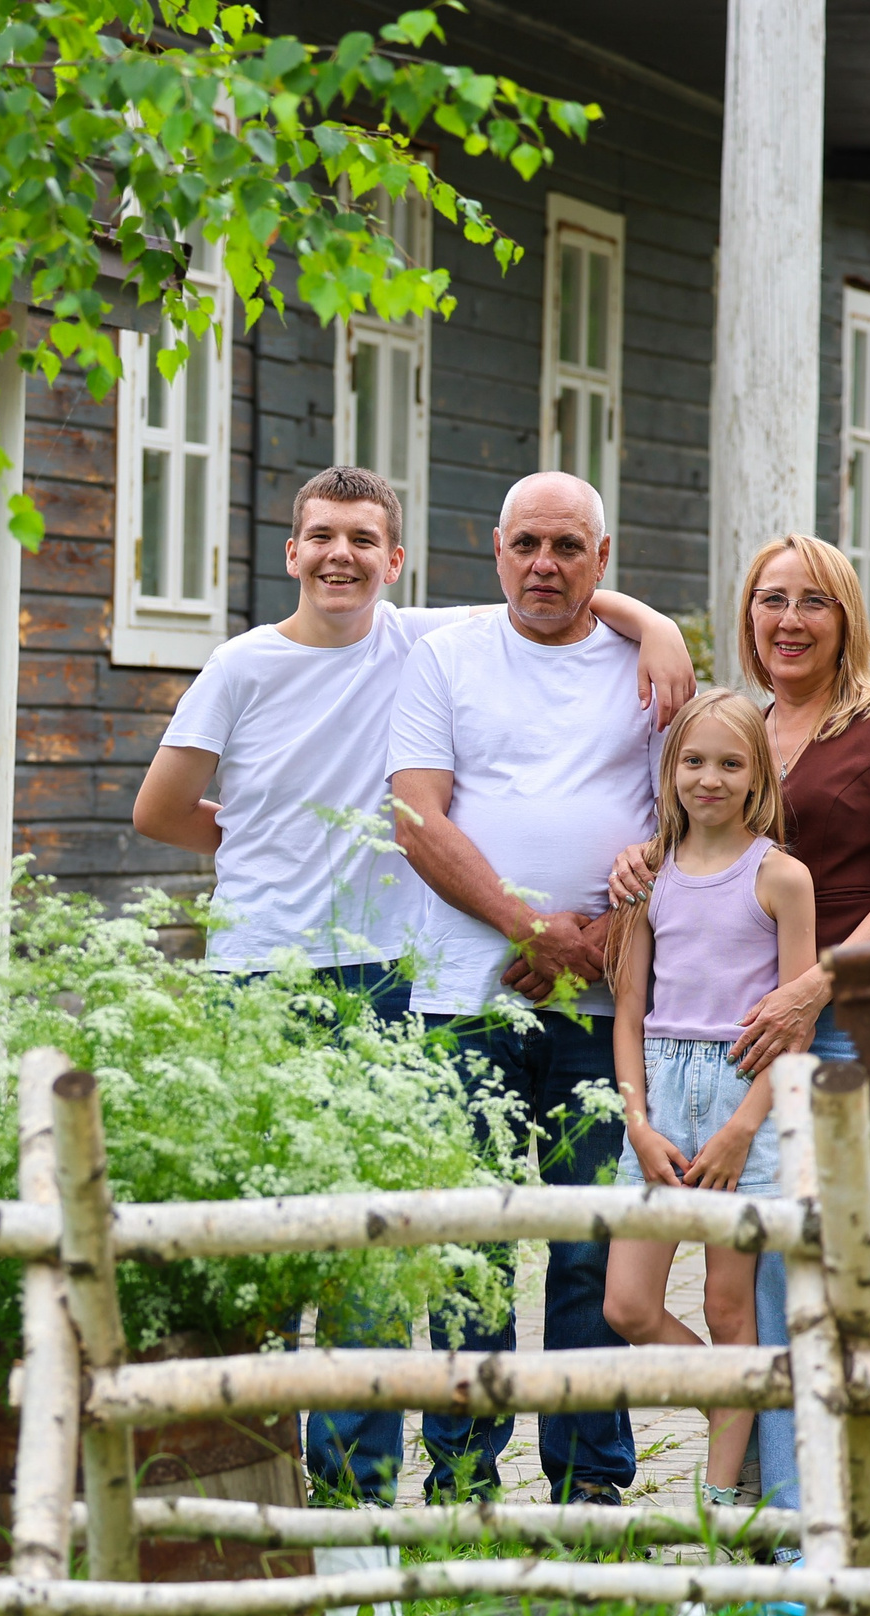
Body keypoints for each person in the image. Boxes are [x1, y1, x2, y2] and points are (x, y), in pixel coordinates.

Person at [134, 464, 693, 1503]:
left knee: (542, 1243)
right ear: (291, 548)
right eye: (319, 536)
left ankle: (571, 1485)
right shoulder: (290, 662)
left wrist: (654, 623)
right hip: (342, 979)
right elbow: (182, 811)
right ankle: (366, 1484)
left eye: (362, 539)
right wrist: (258, 837)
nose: (544, 564)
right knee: (367, 1240)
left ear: (397, 560)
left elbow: (675, 784)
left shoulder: (465, 641)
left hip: (477, 984)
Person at [612, 534, 870, 1509]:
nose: (788, 620)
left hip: (840, 1025)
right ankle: (765, 1494)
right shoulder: (741, 726)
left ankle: (827, 1499)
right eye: (771, 600)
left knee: (820, 1276)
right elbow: (693, 849)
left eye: (812, 602)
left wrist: (817, 987)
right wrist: (637, 867)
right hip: (721, 1033)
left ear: (845, 617)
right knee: (752, 1293)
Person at [387, 469, 662, 1504]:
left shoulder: (646, 666)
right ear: (495, 549)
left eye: (568, 547)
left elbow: (686, 812)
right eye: (526, 545)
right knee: (470, 1244)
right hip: (467, 997)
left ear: (602, 558)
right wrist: (532, 927)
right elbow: (417, 817)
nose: (544, 566)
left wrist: (601, 934)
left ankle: (590, 1479)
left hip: (605, 1009)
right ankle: (463, 1480)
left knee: (591, 1247)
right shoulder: (444, 657)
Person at [601, 689, 816, 1509]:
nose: (710, 778)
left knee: (731, 1309)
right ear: (671, 769)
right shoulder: (646, 875)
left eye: (731, 762)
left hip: (741, 1093)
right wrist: (639, 1122)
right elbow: (627, 1013)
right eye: (694, 761)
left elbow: (793, 1024)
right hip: (658, 1094)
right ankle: (743, 1407)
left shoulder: (780, 877)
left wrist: (740, 1127)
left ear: (759, 772)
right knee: (628, 1303)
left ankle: (722, 1499)